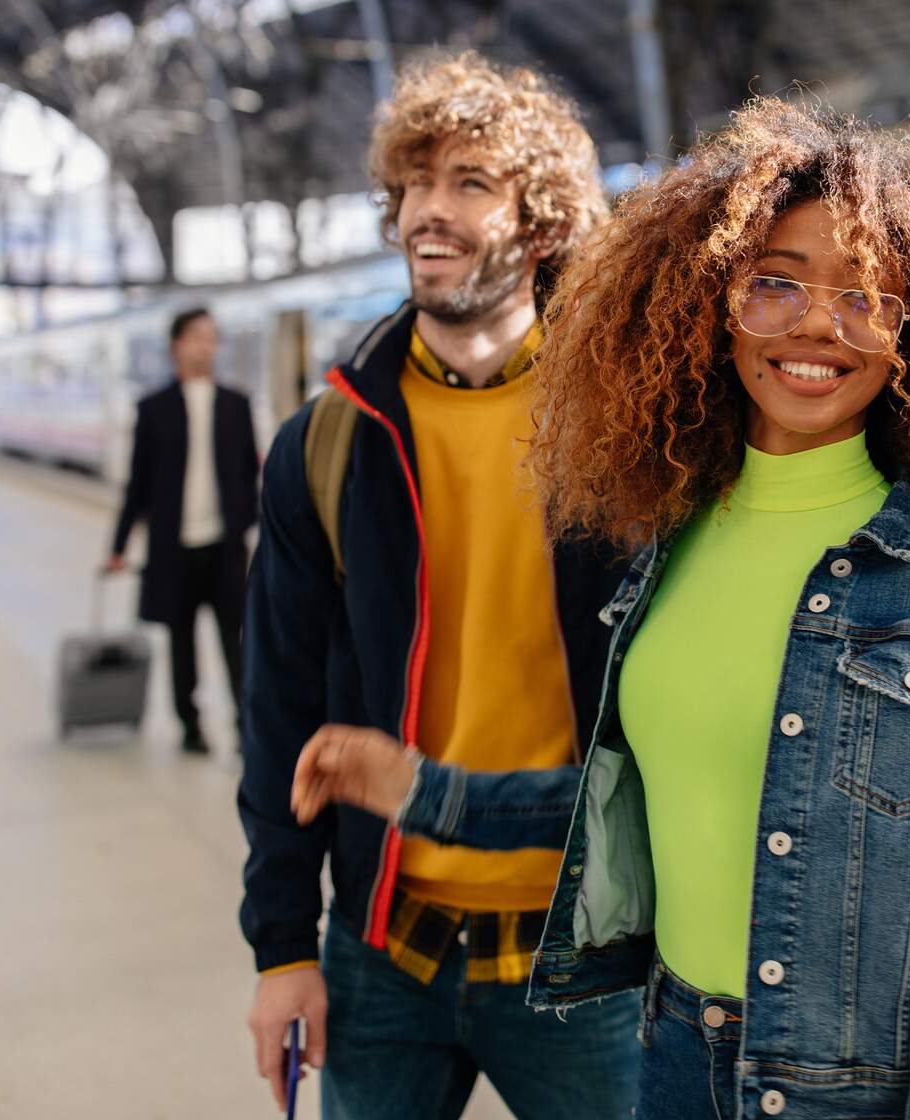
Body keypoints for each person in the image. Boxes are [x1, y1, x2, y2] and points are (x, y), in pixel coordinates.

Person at [290, 100, 910, 1120]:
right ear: (710, 300)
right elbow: (638, 808)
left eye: (870, 296)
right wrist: (427, 792)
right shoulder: (659, 548)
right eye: (775, 282)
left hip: (834, 1093)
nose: (818, 323)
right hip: (667, 1056)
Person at [237, 54, 638, 1120]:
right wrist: (281, 943)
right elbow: (279, 708)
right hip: (385, 948)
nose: (428, 209)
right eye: (413, 184)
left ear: (542, 224)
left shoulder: (624, 437)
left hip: (586, 945)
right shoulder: (329, 441)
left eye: (469, 182)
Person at [108, 307, 258, 755]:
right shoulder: (154, 409)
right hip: (173, 549)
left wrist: (246, 524)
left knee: (237, 642)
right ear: (177, 346)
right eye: (197, 336)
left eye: (213, 337)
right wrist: (119, 546)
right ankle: (190, 727)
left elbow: (251, 472)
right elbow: (139, 483)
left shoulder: (236, 404)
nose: (206, 345)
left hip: (225, 547)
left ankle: (245, 727)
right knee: (181, 643)